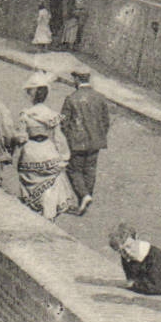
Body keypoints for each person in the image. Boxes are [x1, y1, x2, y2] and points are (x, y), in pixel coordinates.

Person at [16, 73, 76, 219]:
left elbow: (22, 137)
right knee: (52, 182)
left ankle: (32, 209)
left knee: (30, 183)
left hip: (31, 152)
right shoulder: (51, 114)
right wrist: (64, 157)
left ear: (32, 95)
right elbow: (59, 138)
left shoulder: (26, 114)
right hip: (48, 150)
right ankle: (49, 213)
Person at [59, 69, 110, 215]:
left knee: (73, 170)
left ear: (76, 79)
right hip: (96, 142)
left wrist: (69, 138)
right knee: (90, 170)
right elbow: (106, 121)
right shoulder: (100, 97)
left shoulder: (71, 98)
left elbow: (64, 123)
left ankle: (84, 195)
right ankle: (85, 202)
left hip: (77, 143)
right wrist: (100, 135)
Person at [108, 222, 161, 302]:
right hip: (150, 291)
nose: (127, 252)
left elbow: (159, 287)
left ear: (136, 238)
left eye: (129, 246)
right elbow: (131, 279)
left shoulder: (154, 257)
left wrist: (134, 285)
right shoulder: (127, 257)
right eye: (121, 251)